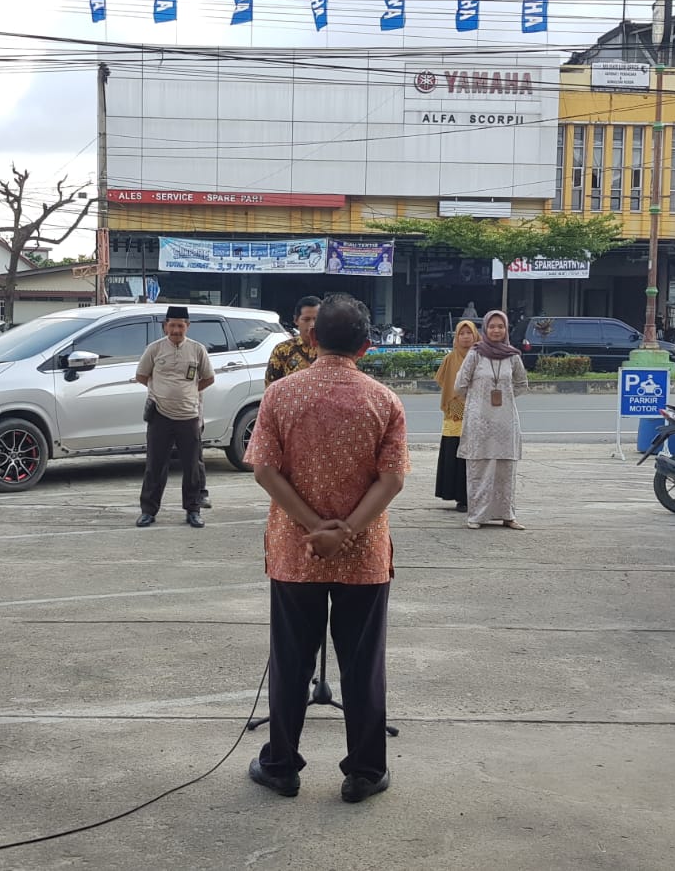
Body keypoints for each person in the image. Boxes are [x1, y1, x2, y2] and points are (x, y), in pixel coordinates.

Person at [245, 294, 409, 804]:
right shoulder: (384, 400)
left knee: (291, 662)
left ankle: (281, 765)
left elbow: (264, 469)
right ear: (365, 345)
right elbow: (392, 479)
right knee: (362, 666)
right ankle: (363, 772)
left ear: (311, 338)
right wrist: (349, 531)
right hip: (362, 557)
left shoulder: (280, 396)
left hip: (297, 552)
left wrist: (315, 527)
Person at [136, 306, 214, 529]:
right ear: (165, 326)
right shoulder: (155, 349)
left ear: (187, 326)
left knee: (192, 466)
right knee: (155, 464)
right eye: (172, 325)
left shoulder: (197, 350)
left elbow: (208, 378)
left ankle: (193, 510)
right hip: (160, 414)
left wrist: (187, 391)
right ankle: (148, 511)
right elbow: (141, 375)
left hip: (189, 415)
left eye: (181, 325)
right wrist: (161, 391)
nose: (176, 329)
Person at [455, 310, 529, 530]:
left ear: (506, 329)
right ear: (485, 329)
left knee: (506, 468)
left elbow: (521, 384)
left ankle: (508, 515)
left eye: (501, 326)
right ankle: (476, 516)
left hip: (506, 420)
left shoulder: (513, 356)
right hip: (480, 421)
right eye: (492, 326)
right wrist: (478, 401)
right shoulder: (475, 354)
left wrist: (504, 398)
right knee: (480, 466)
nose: (496, 330)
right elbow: (460, 385)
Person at [434, 320, 479, 512]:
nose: (466, 337)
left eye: (470, 333)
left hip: (477, 409)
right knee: (455, 452)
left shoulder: (480, 357)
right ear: (456, 337)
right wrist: (456, 403)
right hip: (455, 411)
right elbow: (444, 383)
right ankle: (458, 496)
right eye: (462, 333)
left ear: (476, 336)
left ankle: (473, 496)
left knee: (473, 454)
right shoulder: (450, 359)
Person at [265, 295, 321, 384]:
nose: (312, 324)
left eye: (316, 319)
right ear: (296, 320)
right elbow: (271, 387)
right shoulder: (282, 350)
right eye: (306, 319)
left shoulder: (330, 349)